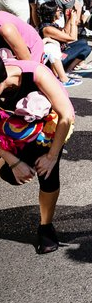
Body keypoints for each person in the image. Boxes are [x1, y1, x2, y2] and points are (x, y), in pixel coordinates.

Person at [0, 58, 75, 253]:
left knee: (47, 172)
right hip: (7, 130)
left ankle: (46, 226)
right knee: (12, 176)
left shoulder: (36, 74)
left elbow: (66, 115)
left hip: (45, 127)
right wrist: (12, 161)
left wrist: (51, 156)